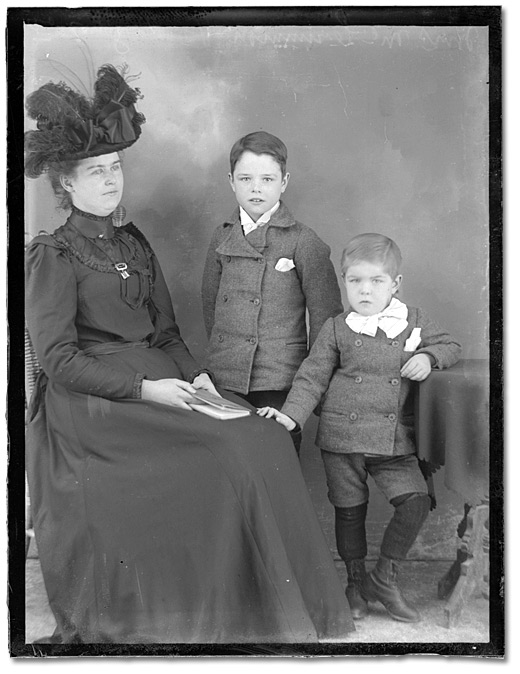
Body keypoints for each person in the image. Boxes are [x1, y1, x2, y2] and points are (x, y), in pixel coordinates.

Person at [24, 63, 355, 644]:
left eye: (115, 168)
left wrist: (201, 380)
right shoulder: (51, 254)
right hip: (92, 406)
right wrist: (146, 389)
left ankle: (262, 609)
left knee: (260, 435)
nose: (109, 180)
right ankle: (200, 614)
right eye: (94, 172)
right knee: (229, 450)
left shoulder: (132, 241)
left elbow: (170, 332)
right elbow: (59, 362)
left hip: (165, 381)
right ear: (66, 186)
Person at [258, 233, 462, 623]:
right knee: (349, 511)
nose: (365, 291)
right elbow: (311, 378)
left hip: (393, 441)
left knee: (415, 500)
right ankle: (355, 583)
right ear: (343, 281)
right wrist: (291, 414)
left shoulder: (413, 321)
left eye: (376, 281)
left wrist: (429, 356)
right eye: (355, 281)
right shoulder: (337, 328)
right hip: (342, 438)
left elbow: (450, 344)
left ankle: (383, 578)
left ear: (395, 284)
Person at [201, 131, 344, 454]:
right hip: (225, 377)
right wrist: (226, 356)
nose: (256, 188)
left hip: (281, 380)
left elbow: (326, 320)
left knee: (276, 459)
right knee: (229, 464)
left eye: (267, 178)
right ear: (231, 181)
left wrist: (309, 386)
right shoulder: (221, 237)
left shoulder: (303, 241)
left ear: (284, 181)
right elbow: (211, 304)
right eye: (246, 178)